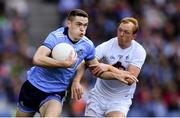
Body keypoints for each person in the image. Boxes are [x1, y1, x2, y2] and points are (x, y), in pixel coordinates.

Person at [15, 9, 136, 117]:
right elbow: (37, 58)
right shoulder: (56, 37)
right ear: (69, 23)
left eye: (85, 25)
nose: (82, 29)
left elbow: (96, 70)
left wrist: (117, 74)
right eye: (79, 24)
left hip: (55, 93)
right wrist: (64, 64)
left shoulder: (88, 45)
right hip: (32, 87)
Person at [71, 17, 146, 117]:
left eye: (126, 32)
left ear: (133, 36)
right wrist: (76, 81)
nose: (121, 34)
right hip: (98, 96)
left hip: (120, 100)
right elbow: (86, 62)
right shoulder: (107, 45)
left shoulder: (138, 51)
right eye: (120, 30)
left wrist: (109, 67)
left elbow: (130, 79)